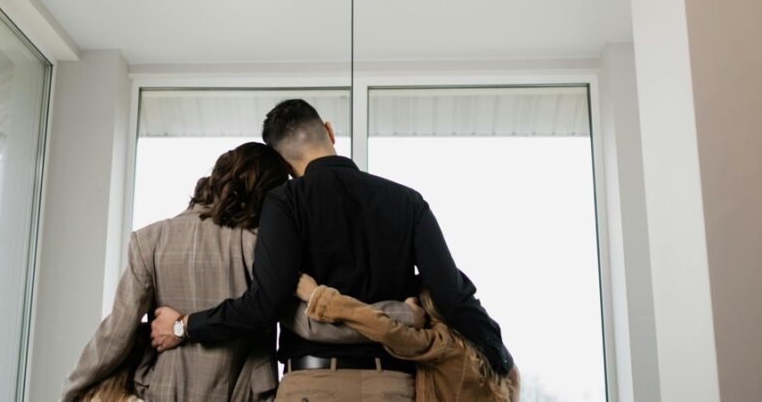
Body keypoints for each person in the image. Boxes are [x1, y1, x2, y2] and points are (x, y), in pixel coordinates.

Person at [151, 99, 515, 401]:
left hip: (311, 387)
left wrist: (185, 326)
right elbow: (451, 295)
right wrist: (498, 354)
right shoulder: (408, 201)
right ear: (328, 131)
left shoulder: (284, 201)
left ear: (283, 163)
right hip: (393, 387)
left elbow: (264, 304)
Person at [59, 142, 289, 402]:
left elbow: (115, 334)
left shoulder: (151, 240)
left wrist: (72, 389)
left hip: (166, 391)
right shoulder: (258, 245)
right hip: (241, 392)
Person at [295, 274, 518, 402]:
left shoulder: (442, 344)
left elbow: (385, 329)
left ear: (429, 305)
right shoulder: (498, 360)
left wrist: (321, 298)